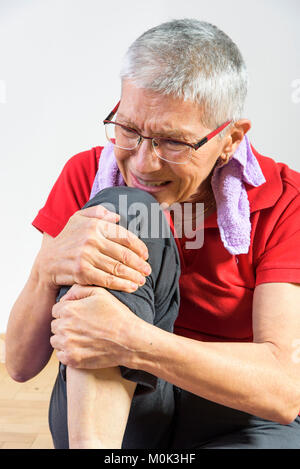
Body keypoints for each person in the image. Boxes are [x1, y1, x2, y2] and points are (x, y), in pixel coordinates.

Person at [5, 19, 300, 449]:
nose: (143, 163)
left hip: (237, 408)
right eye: (128, 130)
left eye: (173, 143)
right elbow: (19, 365)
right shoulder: (87, 175)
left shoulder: (284, 199)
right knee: (125, 205)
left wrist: (132, 342)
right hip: (120, 407)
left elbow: (282, 390)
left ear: (231, 139)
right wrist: (46, 271)